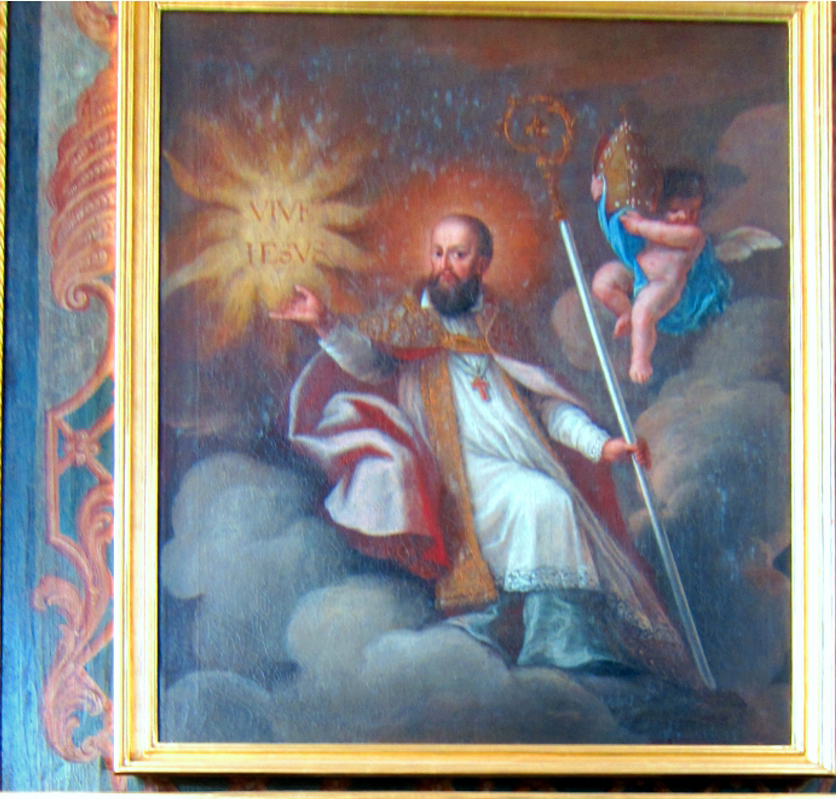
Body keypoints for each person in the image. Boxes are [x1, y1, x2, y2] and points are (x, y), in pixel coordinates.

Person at [272, 215, 697, 682]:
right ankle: (537, 638)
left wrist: (601, 444)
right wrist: (325, 322)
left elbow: (546, 406)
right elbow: (369, 362)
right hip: (456, 471)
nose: (444, 266)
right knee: (545, 502)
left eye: (458, 254)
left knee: (551, 501)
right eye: (438, 253)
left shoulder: (500, 327)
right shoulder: (410, 323)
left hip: (517, 461)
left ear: (483, 263)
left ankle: (559, 640)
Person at [591, 125, 732, 383]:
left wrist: (641, 227)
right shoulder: (651, 223)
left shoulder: (693, 237)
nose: (685, 217)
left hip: (666, 288)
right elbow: (617, 225)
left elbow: (663, 234)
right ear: (662, 206)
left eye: (693, 211)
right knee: (603, 280)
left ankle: (640, 358)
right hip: (639, 276)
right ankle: (625, 312)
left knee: (644, 310)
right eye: (677, 210)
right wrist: (603, 197)